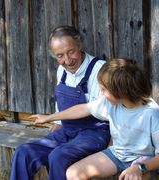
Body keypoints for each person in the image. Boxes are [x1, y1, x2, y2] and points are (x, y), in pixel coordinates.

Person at [10, 25, 110, 180]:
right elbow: (60, 105)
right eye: (60, 56)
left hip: (94, 133)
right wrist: (55, 128)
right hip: (67, 132)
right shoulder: (61, 70)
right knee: (24, 151)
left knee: (58, 156)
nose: (67, 60)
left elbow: (94, 109)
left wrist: (49, 117)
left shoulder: (100, 69)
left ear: (80, 46)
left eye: (71, 52)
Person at [31, 58, 159, 180]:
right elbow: (83, 109)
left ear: (120, 91)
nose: (101, 93)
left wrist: (140, 168)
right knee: (73, 173)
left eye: (103, 89)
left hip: (144, 161)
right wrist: (49, 117)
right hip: (118, 155)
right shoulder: (110, 103)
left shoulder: (151, 113)